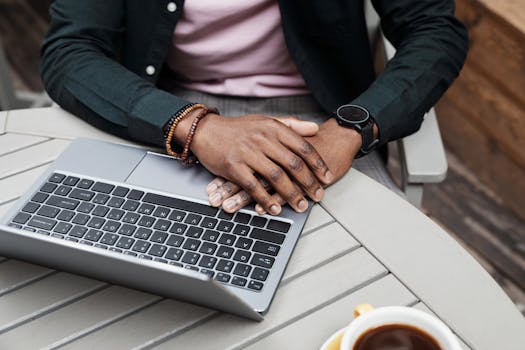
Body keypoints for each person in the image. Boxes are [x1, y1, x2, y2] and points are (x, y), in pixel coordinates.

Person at [40, 0, 468, 215]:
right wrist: (197, 128)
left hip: (326, 121)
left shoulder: (340, 131)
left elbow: (434, 30)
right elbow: (70, 51)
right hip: (170, 109)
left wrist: (350, 129)